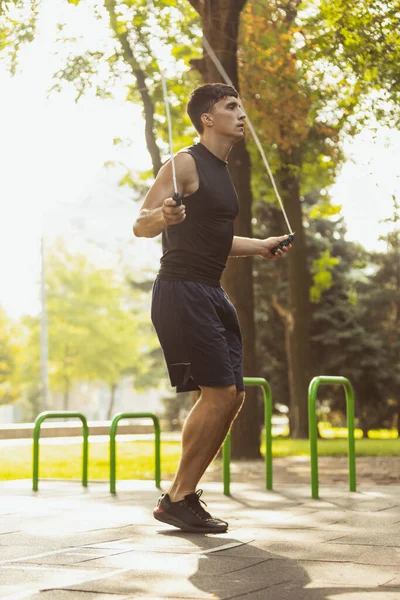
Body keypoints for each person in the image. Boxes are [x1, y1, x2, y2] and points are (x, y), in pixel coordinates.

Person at [133, 83, 292, 534]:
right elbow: (140, 223)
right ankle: (178, 497)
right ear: (207, 118)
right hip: (181, 289)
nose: (242, 114)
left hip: (210, 289)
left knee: (233, 397)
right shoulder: (184, 162)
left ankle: (181, 496)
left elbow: (217, 239)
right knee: (219, 394)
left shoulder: (222, 170)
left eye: (241, 105)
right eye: (231, 107)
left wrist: (259, 246)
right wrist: (163, 215)